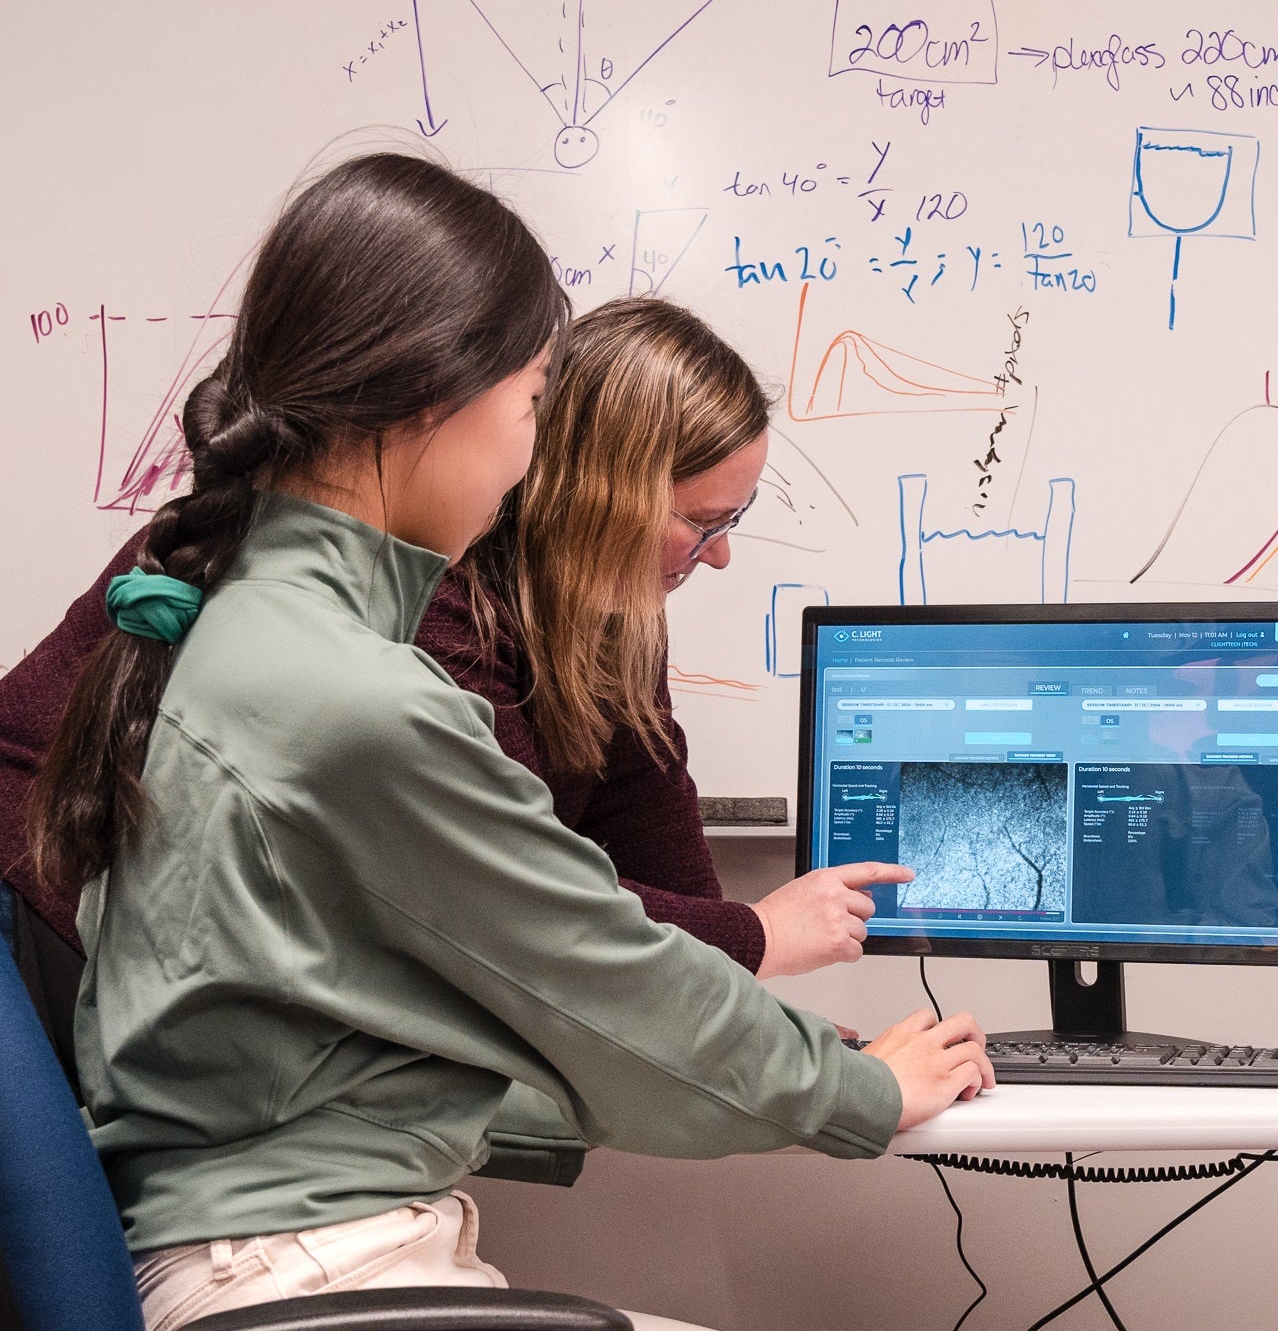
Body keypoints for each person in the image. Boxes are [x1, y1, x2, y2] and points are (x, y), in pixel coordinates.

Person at [26, 152, 1066, 1331]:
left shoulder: (249, 628)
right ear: (432, 398)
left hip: (301, 1317)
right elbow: (619, 986)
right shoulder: (348, 692)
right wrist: (857, 1094)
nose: (531, 444)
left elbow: (391, 1032)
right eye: (524, 400)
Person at [0, 297, 906, 1022]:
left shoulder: (607, 609)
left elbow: (645, 825)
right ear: (600, 495)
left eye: (731, 522)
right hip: (45, 920)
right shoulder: (429, 598)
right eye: (701, 522)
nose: (717, 556)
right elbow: (505, 898)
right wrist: (752, 939)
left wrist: (752, 1023)